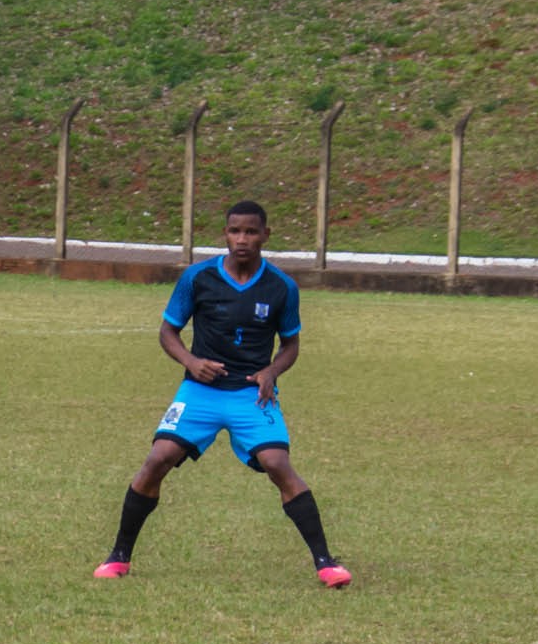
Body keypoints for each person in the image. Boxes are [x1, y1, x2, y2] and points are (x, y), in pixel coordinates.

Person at [96, 201, 350, 587]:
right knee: (158, 457)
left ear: (266, 234)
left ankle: (325, 562)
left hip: (251, 394)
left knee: (278, 464)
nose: (242, 239)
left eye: (250, 231)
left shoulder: (282, 287)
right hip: (200, 391)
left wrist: (271, 370)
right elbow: (168, 332)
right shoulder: (198, 278)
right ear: (225, 234)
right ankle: (118, 556)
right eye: (235, 231)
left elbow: (291, 346)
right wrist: (191, 360)